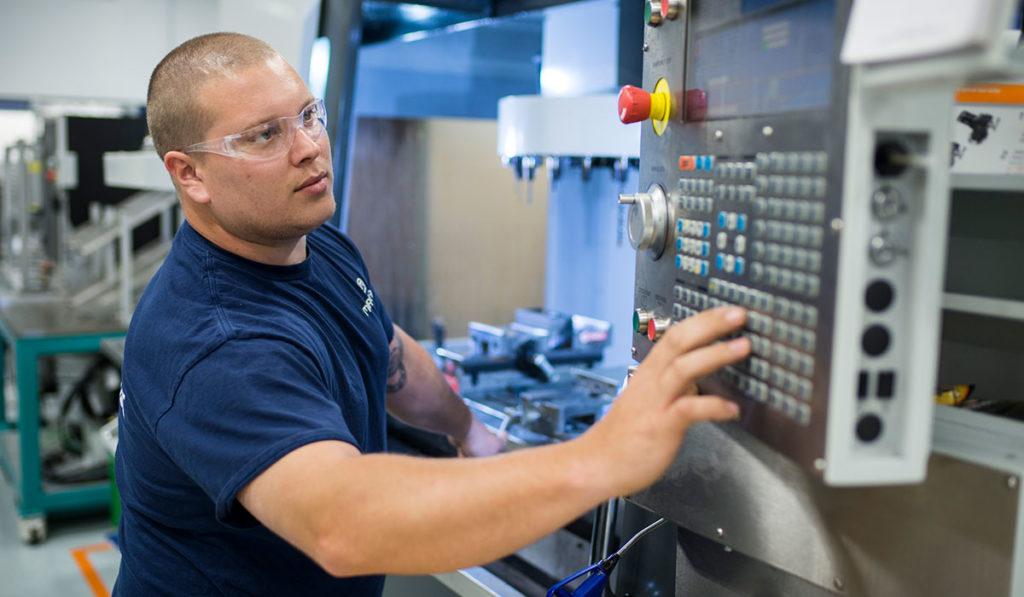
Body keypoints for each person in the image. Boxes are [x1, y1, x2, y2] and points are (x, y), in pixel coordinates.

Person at [114, 31, 751, 596]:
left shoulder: (312, 241)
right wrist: (604, 457)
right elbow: (343, 524)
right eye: (264, 135)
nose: (309, 147)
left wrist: (467, 429)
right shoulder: (213, 339)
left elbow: (385, 350)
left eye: (309, 115)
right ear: (189, 173)